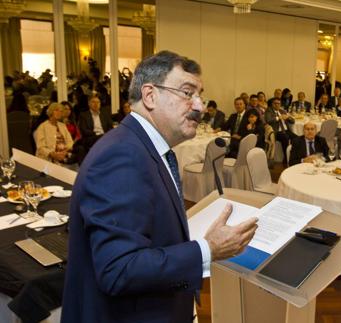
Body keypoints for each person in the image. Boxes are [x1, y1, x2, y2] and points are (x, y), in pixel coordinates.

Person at [61, 51, 258, 323]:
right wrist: (207, 249)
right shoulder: (122, 155)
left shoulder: (144, 147)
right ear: (150, 96)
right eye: (187, 92)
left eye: (200, 94)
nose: (199, 106)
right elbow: (118, 270)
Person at [265, 97, 295, 164]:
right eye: (275, 103)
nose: (277, 105)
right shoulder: (269, 110)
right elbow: (268, 120)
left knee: (297, 138)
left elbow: (293, 121)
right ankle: (286, 158)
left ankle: (294, 156)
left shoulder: (282, 111)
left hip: (286, 130)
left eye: (279, 103)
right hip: (277, 132)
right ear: (272, 104)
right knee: (285, 138)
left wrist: (288, 117)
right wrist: (279, 117)